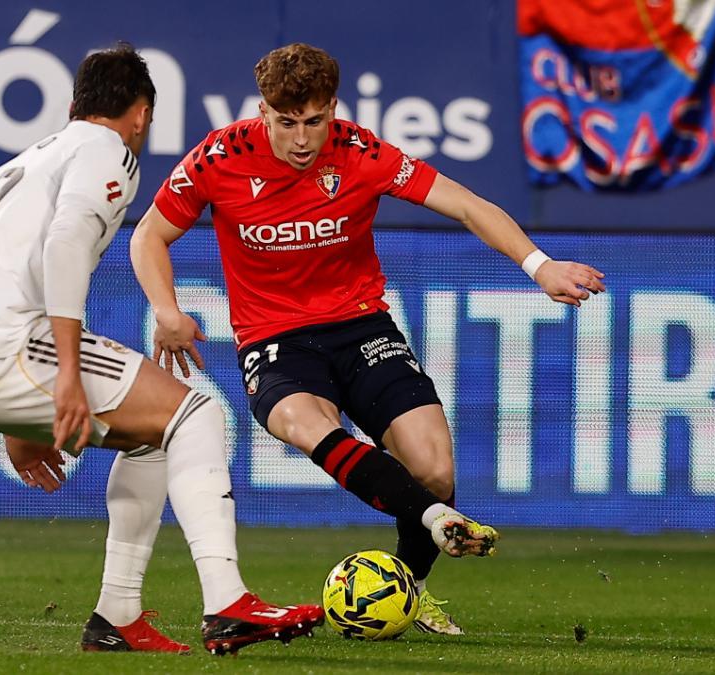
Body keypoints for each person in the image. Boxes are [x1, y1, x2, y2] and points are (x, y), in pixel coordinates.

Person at [131, 43, 606, 635]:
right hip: (275, 337)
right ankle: (436, 521)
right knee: (305, 424)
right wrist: (165, 309)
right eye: (286, 123)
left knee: (433, 465)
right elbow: (148, 234)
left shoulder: (361, 152)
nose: (302, 139)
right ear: (262, 111)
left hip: (361, 327)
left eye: (314, 121)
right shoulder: (221, 156)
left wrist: (540, 267)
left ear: (333, 109)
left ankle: (410, 588)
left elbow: (467, 205)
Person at [0, 44, 322, 656]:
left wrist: (14, 411)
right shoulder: (107, 150)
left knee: (154, 432)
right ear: (141, 116)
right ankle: (227, 602)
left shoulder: (27, 160)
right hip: (7, 346)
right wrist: (60, 374)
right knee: (198, 414)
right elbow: (64, 244)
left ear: (72, 106)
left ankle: (117, 616)